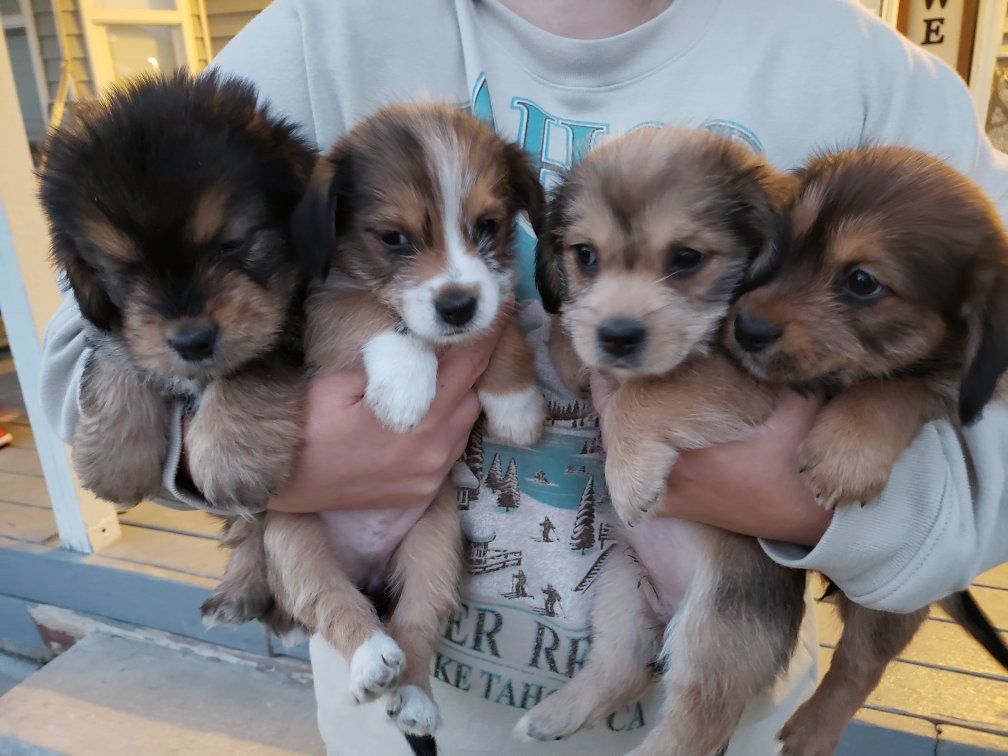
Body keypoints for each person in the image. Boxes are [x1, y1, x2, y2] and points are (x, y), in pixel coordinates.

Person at [38, 0, 1008, 753]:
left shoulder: (870, 74)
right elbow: (85, 356)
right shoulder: (326, 30)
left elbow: (986, 387)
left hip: (722, 712)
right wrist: (239, 450)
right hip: (403, 731)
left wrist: (828, 503)